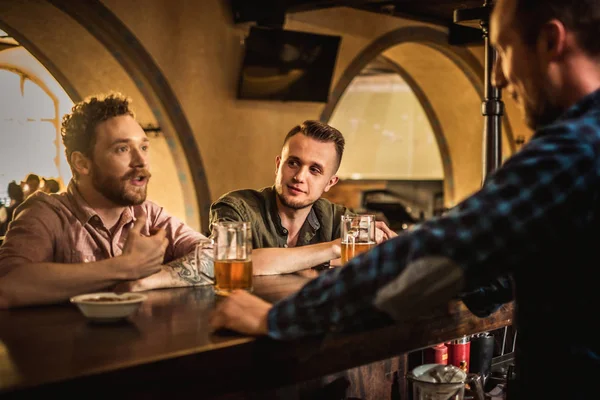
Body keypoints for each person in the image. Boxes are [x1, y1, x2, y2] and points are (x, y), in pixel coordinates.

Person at [209, 0, 600, 398]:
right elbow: (498, 276)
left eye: (503, 50)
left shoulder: (575, 151)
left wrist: (282, 319)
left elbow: (440, 252)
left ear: (551, 41)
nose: (497, 75)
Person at [0, 93, 212, 308]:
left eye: (144, 147)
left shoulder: (148, 213)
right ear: (82, 163)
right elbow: (7, 287)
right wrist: (124, 267)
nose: (141, 162)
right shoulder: (46, 213)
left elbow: (218, 255)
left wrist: (146, 280)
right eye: (122, 149)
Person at [209, 120, 397, 275]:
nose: (299, 176)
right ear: (278, 165)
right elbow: (230, 266)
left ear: (330, 183)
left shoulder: (336, 217)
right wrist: (333, 249)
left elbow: (381, 262)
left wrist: (389, 245)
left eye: (314, 170)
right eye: (293, 163)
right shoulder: (235, 208)